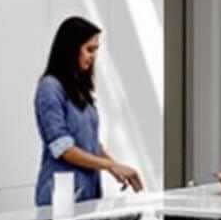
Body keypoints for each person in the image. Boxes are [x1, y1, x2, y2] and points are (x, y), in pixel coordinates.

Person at [34, 16, 144, 207]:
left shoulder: (79, 90)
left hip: (87, 193)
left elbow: (90, 142)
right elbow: (63, 149)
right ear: (71, 48)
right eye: (89, 50)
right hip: (61, 197)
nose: (93, 57)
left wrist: (115, 166)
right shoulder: (50, 87)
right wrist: (110, 165)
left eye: (96, 50)